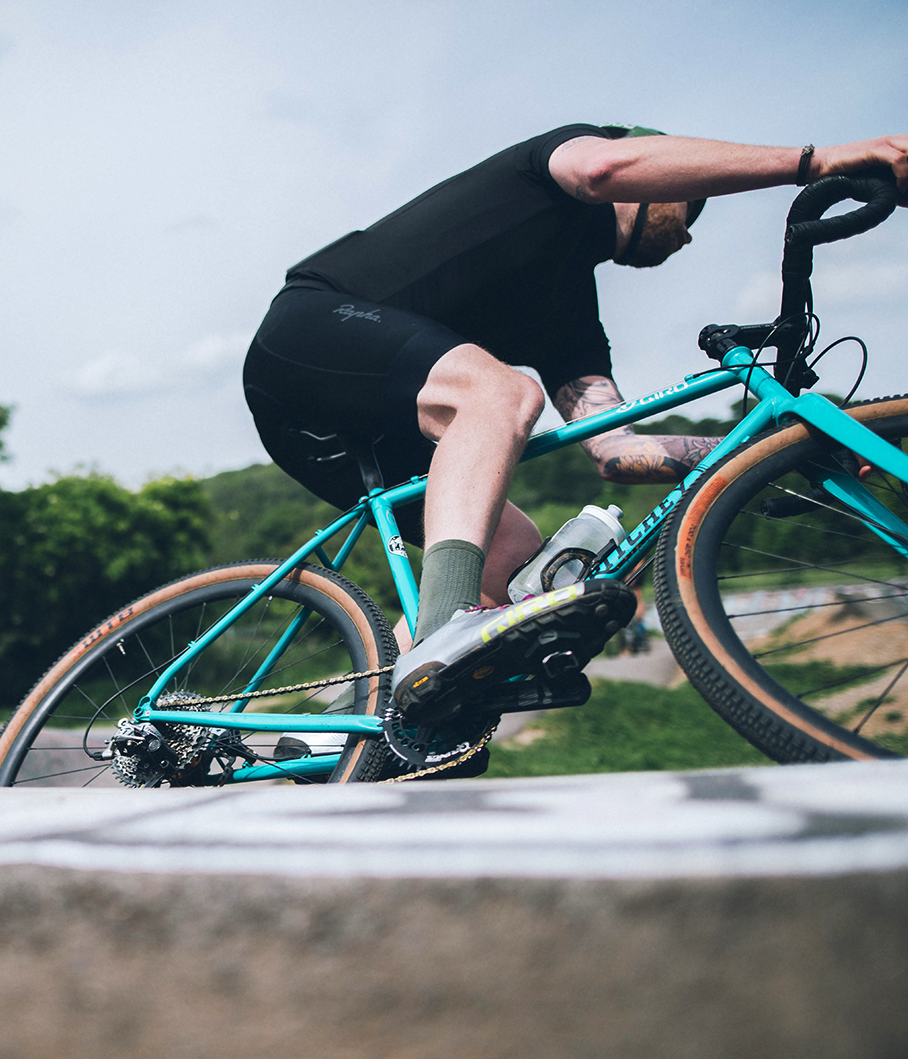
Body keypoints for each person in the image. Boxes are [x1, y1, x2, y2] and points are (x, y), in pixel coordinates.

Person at [243, 123, 908, 744]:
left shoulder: (570, 318)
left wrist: (772, 452)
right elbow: (603, 166)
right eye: (691, 203)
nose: (689, 236)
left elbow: (615, 450)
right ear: (657, 174)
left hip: (365, 429)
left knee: (511, 558)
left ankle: (347, 732)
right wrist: (817, 163)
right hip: (308, 338)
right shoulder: (557, 171)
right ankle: (440, 641)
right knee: (502, 393)